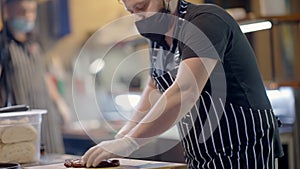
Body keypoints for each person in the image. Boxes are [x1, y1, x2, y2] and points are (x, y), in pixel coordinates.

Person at [82, 0, 284, 168]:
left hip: (242, 147)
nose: (138, 18)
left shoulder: (206, 21)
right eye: (131, 11)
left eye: (142, 7)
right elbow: (154, 88)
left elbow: (186, 90)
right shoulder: (158, 38)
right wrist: (122, 135)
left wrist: (130, 143)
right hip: (200, 150)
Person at [0, 0, 71, 154]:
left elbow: (44, 75)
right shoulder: (3, 46)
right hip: (19, 124)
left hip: (47, 120)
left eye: (32, 11)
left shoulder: (36, 43)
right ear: (7, 10)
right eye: (22, 11)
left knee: (54, 158)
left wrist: (59, 103)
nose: (28, 16)